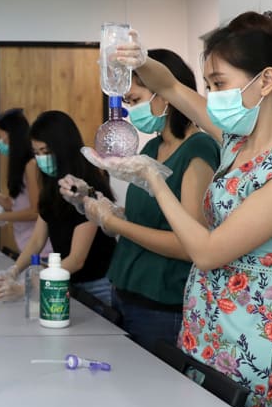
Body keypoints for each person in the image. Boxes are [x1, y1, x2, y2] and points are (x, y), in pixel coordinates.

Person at [99, 11, 272, 407]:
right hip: (205, 321)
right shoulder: (236, 143)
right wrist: (139, 61)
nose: (211, 95)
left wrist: (154, 180)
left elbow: (208, 252)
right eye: (208, 85)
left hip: (255, 337)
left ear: (265, 80)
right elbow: (170, 85)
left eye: (219, 84)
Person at [60, 49, 220, 353]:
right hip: (124, 292)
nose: (131, 111)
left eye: (134, 100)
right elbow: (142, 216)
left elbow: (188, 244)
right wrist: (90, 202)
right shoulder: (152, 149)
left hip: (161, 303)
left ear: (166, 95)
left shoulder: (199, 149)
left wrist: (115, 223)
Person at [0, 111, 116, 305]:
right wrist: (12, 271)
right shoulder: (52, 184)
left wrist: (25, 288)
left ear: (63, 148)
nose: (41, 159)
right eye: (37, 153)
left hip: (97, 285)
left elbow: (76, 259)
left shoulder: (87, 187)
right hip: (67, 281)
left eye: (46, 152)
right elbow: (37, 240)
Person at [0, 108, 50, 254]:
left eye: (0, 137)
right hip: (25, 245)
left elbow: (35, 212)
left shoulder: (32, 165)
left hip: (41, 249)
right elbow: (11, 204)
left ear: (13, 136)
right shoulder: (20, 166)